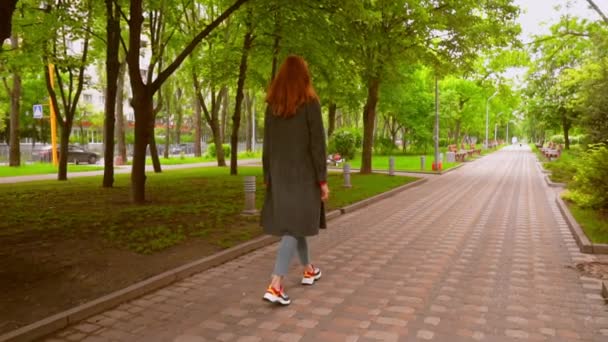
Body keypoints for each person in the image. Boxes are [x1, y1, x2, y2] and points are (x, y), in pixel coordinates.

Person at [261, 55, 329, 306]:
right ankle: (276, 283)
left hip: (279, 176)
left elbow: (267, 146)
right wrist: (322, 180)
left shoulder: (272, 107)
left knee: (294, 223)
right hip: (303, 176)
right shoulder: (310, 103)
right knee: (293, 228)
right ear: (304, 76)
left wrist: (267, 175)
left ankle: (309, 269)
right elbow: (317, 145)